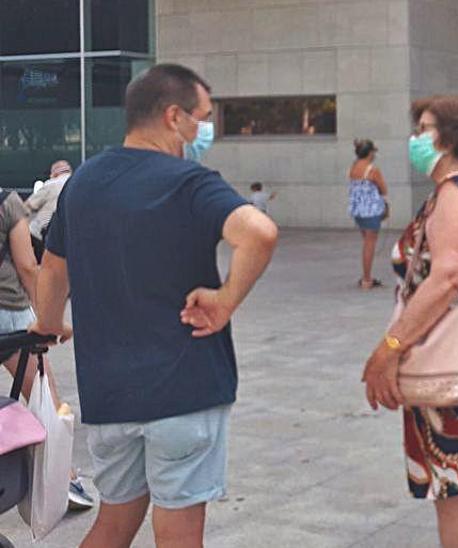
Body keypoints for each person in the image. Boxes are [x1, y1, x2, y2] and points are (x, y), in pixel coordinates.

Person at [32, 63, 278, 548]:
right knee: (179, 532)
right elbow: (259, 232)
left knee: (114, 521)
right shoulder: (189, 181)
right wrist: (226, 300)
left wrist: (48, 323)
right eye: (202, 117)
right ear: (173, 116)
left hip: (110, 392)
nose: (205, 129)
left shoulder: (82, 182)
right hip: (183, 389)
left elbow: (53, 270)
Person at [361, 96, 458, 548]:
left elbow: (447, 276)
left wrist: (388, 351)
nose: (415, 138)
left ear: (450, 138)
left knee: (453, 483)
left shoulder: (455, 191)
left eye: (424, 129)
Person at [1, 184, 95, 512]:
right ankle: (62, 480)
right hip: (10, 316)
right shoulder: (6, 201)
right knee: (45, 399)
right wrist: (47, 319)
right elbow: (28, 267)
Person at [349, 138, 389, 290]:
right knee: (369, 244)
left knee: (367, 241)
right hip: (371, 210)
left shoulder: (354, 167)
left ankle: (367, 276)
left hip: (358, 210)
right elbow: (383, 189)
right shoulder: (372, 170)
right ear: (370, 153)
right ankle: (367, 279)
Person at [26, 160, 72, 262]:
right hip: (70, 234)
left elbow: (29, 206)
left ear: (54, 173)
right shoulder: (77, 184)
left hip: (44, 233)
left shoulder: (51, 184)